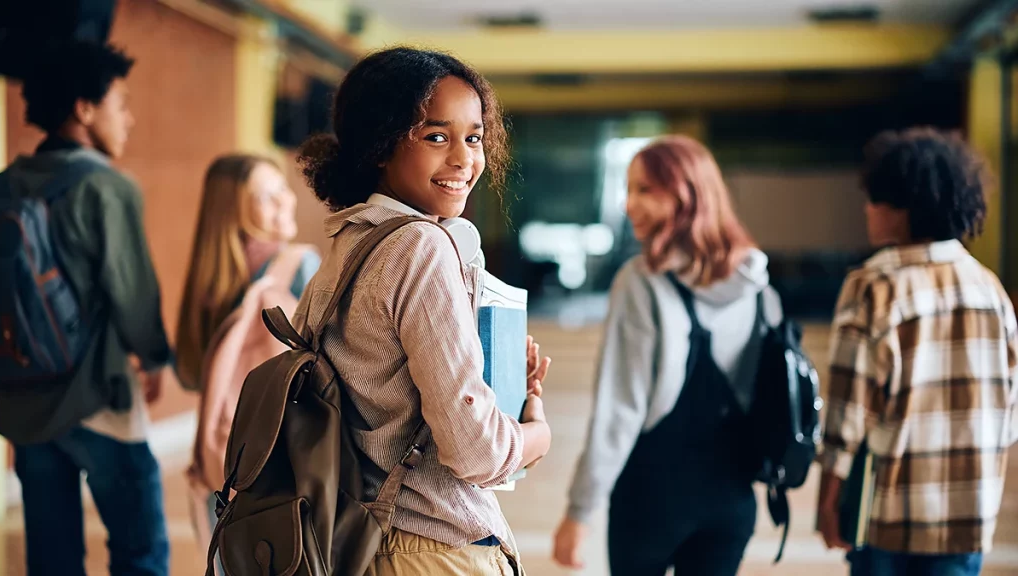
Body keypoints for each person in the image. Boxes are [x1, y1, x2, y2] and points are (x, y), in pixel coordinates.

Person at [293, 47, 551, 575]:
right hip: (432, 549)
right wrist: (534, 432)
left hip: (360, 540)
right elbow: (475, 452)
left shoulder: (348, 245)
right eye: (436, 136)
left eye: (473, 137)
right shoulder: (420, 247)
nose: (463, 159)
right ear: (380, 145)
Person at [553, 135, 783, 576]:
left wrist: (579, 512)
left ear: (684, 195)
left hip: (651, 499)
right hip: (732, 500)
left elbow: (619, 410)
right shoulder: (759, 288)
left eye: (644, 190)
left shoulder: (641, 283)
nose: (628, 205)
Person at [0, 42, 171, 575]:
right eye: (120, 104)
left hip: (21, 396)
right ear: (84, 108)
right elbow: (132, 290)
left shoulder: (2, 187)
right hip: (98, 393)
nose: (129, 119)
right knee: (139, 546)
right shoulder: (106, 185)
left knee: (51, 556)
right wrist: (157, 358)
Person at [816, 127, 1017, 576]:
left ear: (907, 207)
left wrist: (829, 498)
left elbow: (848, 413)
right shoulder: (990, 290)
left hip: (889, 513)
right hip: (968, 515)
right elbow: (1009, 413)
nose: (868, 209)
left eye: (877, 199)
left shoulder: (873, 286)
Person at [174, 154, 321, 559]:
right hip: (279, 467)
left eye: (282, 190)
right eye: (267, 195)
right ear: (233, 208)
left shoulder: (208, 284)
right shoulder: (299, 266)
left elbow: (188, 374)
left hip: (219, 465)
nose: (286, 200)